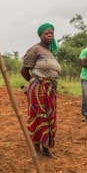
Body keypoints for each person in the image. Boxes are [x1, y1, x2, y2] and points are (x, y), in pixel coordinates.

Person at [20, 23, 61, 158]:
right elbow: (24, 70)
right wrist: (34, 83)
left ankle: (46, 148)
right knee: (38, 116)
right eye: (46, 33)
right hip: (38, 87)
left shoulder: (52, 52)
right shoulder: (35, 49)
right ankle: (37, 148)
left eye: (51, 33)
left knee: (50, 117)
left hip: (51, 89)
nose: (49, 35)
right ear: (40, 35)